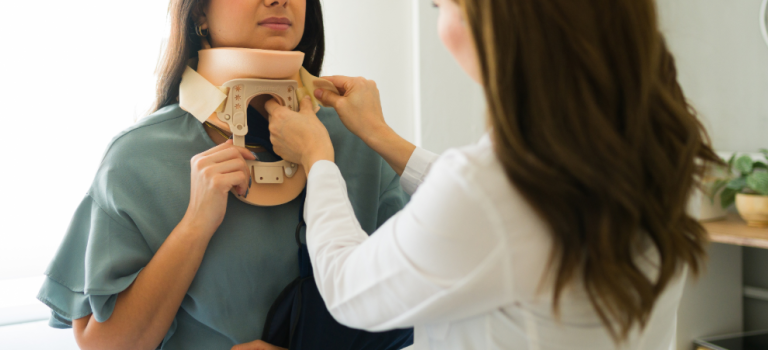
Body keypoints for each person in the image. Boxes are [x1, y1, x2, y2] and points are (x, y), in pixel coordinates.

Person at [265, 0, 721, 348]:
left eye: (441, 6)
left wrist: (317, 158)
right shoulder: (661, 146)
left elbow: (348, 289)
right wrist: (381, 135)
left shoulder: (488, 190)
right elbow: (500, 218)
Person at [36, 1, 409, 349]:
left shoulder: (357, 140)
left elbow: (422, 300)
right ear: (200, 13)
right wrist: (194, 227)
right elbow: (103, 344)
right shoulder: (137, 157)